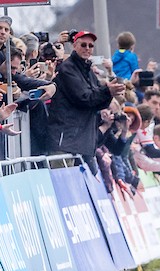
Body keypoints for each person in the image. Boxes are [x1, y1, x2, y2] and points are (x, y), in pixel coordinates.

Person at [46, 30, 126, 172]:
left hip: (79, 141)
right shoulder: (67, 68)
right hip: (64, 140)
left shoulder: (87, 70)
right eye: (83, 45)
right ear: (74, 46)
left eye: (90, 46)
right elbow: (84, 98)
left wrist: (109, 93)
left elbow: (97, 102)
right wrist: (108, 91)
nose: (87, 48)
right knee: (62, 185)